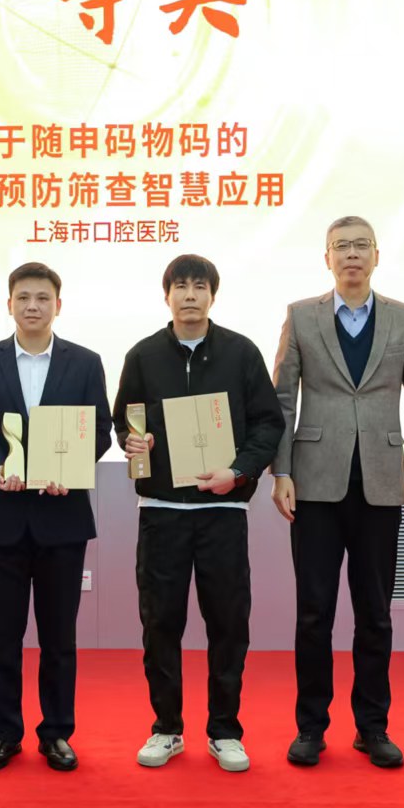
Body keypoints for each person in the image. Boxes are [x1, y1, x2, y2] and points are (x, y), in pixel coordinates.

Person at [270, 216, 404, 769]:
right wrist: (280, 471)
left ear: (376, 255)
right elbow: (282, 401)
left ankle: (372, 727)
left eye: (360, 245)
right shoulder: (302, 316)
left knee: (375, 614)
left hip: (382, 483)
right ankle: (311, 728)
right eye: (340, 246)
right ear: (326, 258)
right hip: (314, 484)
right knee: (313, 613)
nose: (351, 254)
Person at [114, 253, 283, 772]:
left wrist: (238, 471)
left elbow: (268, 424)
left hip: (222, 509)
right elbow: (124, 421)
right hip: (161, 510)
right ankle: (166, 728)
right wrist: (133, 441)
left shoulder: (241, 352)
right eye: (181, 286)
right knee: (160, 623)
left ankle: (225, 731)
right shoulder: (143, 355)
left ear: (213, 295)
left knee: (228, 623)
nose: (190, 295)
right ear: (166, 295)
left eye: (200, 286)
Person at [0, 262, 112, 773]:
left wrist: (69, 468)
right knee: (1, 636)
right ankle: (4, 733)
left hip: (62, 518)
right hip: (0, 518)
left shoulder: (85, 363)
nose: (32, 306)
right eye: (23, 297)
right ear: (9, 305)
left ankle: (57, 733)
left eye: (42, 298)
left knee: (59, 637)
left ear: (57, 306)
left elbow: (101, 431)